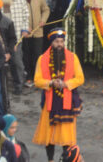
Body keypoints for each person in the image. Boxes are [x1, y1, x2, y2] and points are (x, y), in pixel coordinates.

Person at [33, 28, 84, 162]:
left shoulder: (73, 57)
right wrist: (50, 82)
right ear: (51, 43)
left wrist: (66, 84)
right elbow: (37, 80)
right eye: (56, 41)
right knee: (49, 135)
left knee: (66, 135)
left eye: (61, 41)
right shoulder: (42, 59)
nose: (60, 44)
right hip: (49, 101)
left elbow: (80, 78)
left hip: (67, 100)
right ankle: (50, 160)